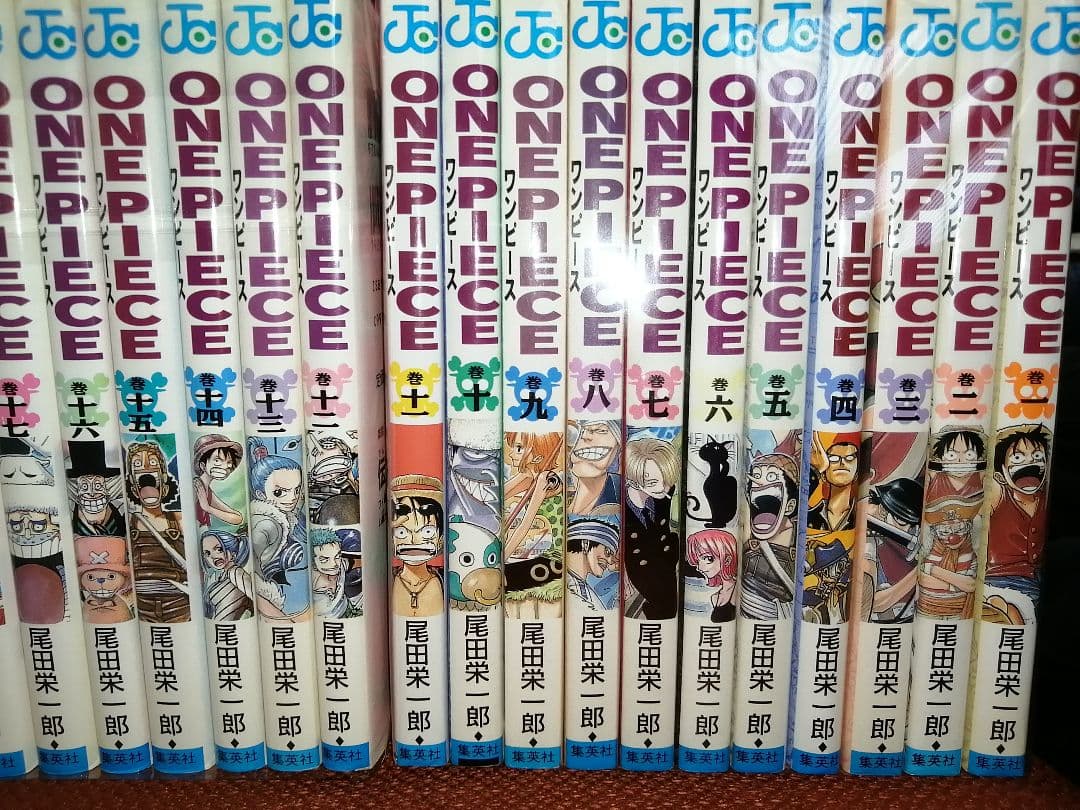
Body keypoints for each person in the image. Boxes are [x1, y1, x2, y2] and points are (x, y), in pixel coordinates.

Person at [985, 425, 1050, 607]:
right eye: (1018, 458)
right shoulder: (999, 495)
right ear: (1001, 472)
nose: (1030, 464)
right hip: (1000, 579)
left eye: (1037, 456)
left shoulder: (1044, 498)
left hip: (1036, 581)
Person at [248, 440, 308, 619]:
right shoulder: (267, 525)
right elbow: (250, 568)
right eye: (280, 492)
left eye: (296, 490)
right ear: (260, 494)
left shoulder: (286, 516)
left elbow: (297, 506)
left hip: (286, 597)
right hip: (269, 600)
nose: (292, 498)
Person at [624, 435, 680, 620]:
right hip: (638, 567)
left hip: (665, 558)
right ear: (633, 480)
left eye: (667, 480)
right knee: (661, 606)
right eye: (653, 482)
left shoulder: (663, 493)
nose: (663, 488)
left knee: (669, 606)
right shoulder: (621, 504)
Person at [390, 474, 445, 618]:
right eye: (402, 532)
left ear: (440, 536)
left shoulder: (444, 581)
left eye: (427, 531)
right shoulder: (388, 581)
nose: (414, 541)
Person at [565, 519, 619, 611]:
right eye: (607, 552)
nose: (610, 561)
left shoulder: (585, 589)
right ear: (585, 544)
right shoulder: (561, 583)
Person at [192, 434, 244, 528]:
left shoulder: (206, 490)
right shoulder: (196, 487)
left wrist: (208, 508)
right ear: (203, 465)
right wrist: (207, 508)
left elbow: (238, 518)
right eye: (217, 460)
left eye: (229, 462)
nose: (225, 466)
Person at [686, 528, 737, 622]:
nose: (699, 568)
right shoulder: (714, 597)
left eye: (708, 559)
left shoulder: (737, 590)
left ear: (727, 560)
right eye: (698, 561)